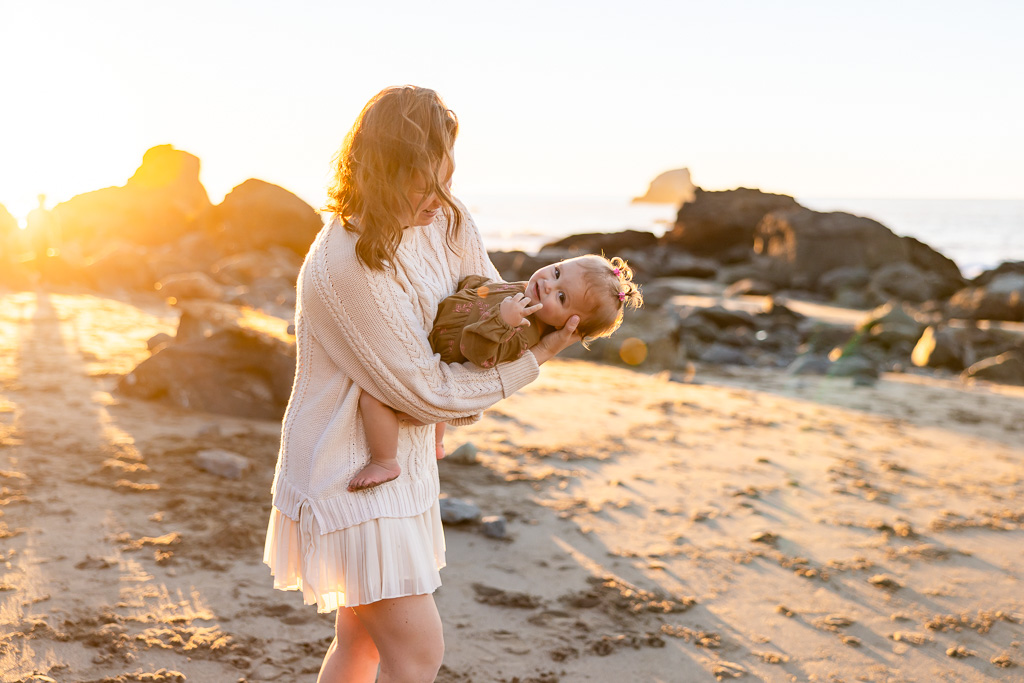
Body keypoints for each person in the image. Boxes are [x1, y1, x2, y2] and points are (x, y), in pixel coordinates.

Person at [263, 85, 581, 683]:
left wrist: (556, 311)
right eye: (424, 183)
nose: (440, 198)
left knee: (362, 646)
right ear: (383, 174)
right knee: (416, 654)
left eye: (447, 177)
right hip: (347, 474)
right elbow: (427, 391)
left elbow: (483, 314)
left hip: (402, 469)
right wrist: (538, 357)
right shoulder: (347, 263)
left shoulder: (447, 219)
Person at [348, 254, 643, 491]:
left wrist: (503, 322)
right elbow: (486, 291)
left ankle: (385, 461)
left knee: (375, 397)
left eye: (562, 297)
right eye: (556, 272)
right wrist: (472, 284)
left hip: (438, 365)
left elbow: (480, 355)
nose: (548, 285)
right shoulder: (525, 291)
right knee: (431, 410)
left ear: (566, 325)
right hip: (433, 342)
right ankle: (436, 441)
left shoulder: (524, 333)